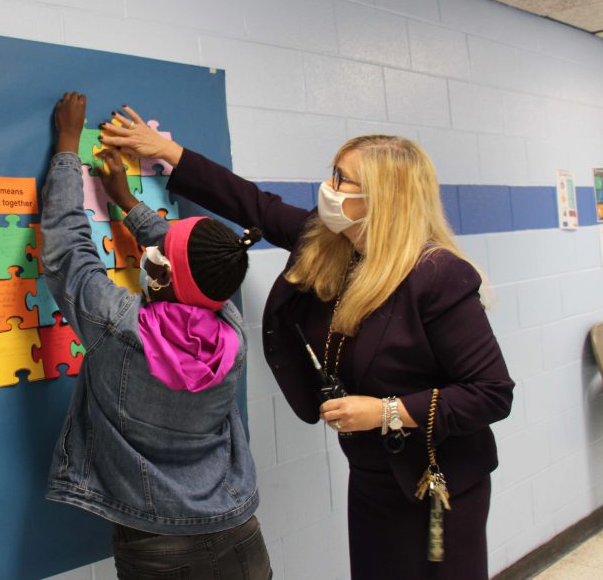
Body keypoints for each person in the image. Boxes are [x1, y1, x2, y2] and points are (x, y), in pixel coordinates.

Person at [100, 108, 515, 580]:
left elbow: (491, 392)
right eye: (333, 173)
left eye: (343, 180)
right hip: (373, 472)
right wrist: (167, 153)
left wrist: (384, 411)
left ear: (382, 199)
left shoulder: (437, 276)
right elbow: (253, 204)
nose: (329, 188)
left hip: (435, 480)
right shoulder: (330, 242)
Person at [41, 92, 273, 580]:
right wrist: (126, 200)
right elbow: (192, 263)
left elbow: (67, 250)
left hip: (160, 549)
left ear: (161, 273)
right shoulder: (229, 328)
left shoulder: (117, 323)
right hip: (241, 534)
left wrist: (66, 144)